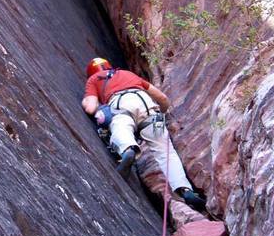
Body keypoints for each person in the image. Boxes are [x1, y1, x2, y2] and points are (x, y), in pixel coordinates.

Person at [82, 57, 205, 211]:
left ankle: (128, 149)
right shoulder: (128, 74)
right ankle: (185, 190)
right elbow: (162, 98)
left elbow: (91, 107)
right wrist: (162, 113)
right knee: (166, 152)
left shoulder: (94, 79)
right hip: (147, 105)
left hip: (121, 103)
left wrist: (87, 101)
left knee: (120, 125)